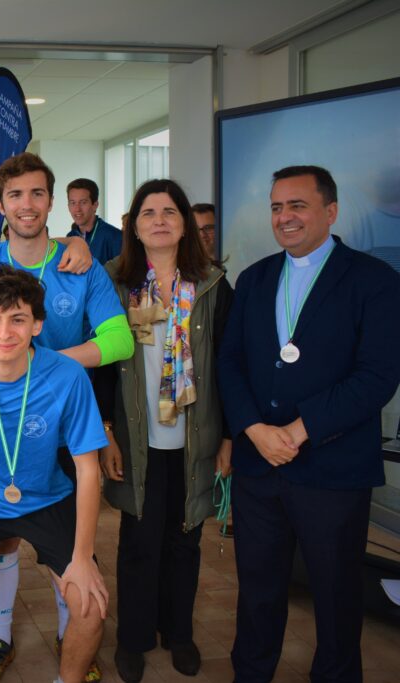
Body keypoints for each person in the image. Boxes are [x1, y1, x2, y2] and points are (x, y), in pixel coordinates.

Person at [0, 152, 131, 683]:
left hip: (59, 415)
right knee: (2, 540)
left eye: (37, 194)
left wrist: (47, 365)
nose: (27, 204)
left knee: (75, 561)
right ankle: (1, 637)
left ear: (51, 201)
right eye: (16, 195)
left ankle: (69, 639)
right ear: (1, 205)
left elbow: (121, 340)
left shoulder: (78, 263)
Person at [217, 165, 400, 682]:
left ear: (330, 211)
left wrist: (299, 431)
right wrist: (253, 429)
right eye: (277, 207)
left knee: (337, 597)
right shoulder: (254, 279)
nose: (285, 217)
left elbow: (378, 376)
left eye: (297, 205)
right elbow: (230, 363)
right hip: (259, 469)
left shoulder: (374, 280)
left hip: (333, 471)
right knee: (257, 591)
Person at [95, 179, 233, 682]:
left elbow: (230, 364)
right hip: (136, 438)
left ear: (184, 223)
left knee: (185, 540)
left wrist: (229, 436)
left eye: (169, 211)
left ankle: (179, 633)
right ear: (133, 223)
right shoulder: (112, 281)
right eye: (147, 211)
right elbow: (101, 366)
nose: (159, 219)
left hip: (196, 436)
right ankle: (133, 638)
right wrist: (106, 431)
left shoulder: (213, 284)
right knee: (138, 542)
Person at [67, 178, 122, 265]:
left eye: (83, 202)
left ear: (95, 205)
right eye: (73, 203)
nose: (77, 209)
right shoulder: (70, 237)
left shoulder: (114, 237)